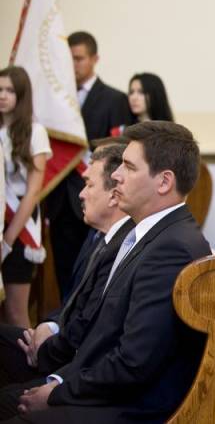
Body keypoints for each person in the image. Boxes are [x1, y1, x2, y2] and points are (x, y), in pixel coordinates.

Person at [0, 121, 211, 423]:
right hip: (103, 388)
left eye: (129, 167)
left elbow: (134, 362)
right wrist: (59, 381)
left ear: (164, 182)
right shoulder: (150, 235)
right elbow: (100, 338)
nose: (116, 175)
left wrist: (57, 391)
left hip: (131, 409)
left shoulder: (171, 247)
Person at [0, 143, 133, 390]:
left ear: (114, 195)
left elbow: (94, 328)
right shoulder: (96, 236)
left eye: (89, 185)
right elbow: (72, 301)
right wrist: (47, 326)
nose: (81, 194)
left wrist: (44, 350)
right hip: (60, 343)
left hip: (73, 365)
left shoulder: (123, 246)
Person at [45, 31, 133, 297]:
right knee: (65, 278)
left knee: (93, 278)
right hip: (62, 201)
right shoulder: (56, 100)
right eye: (68, 59)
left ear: (95, 59)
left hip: (101, 198)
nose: (72, 65)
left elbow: (119, 150)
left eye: (78, 58)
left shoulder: (114, 99)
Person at [0, 67, 52, 329]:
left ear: (21, 95)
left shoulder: (35, 131)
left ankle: (30, 357)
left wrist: (7, 240)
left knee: (15, 313)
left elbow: (33, 190)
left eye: (10, 90)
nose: (2, 95)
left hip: (19, 226)